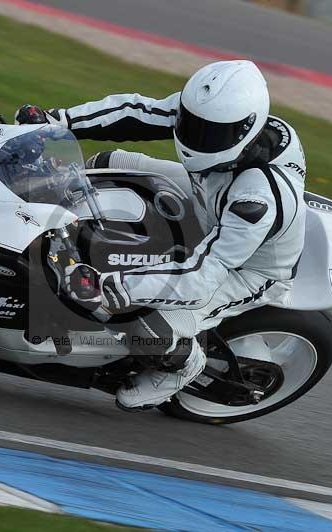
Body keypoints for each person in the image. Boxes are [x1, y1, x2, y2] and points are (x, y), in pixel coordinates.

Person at [16, 60, 307, 412]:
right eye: (192, 125)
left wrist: (114, 288)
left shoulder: (257, 199)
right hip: (210, 194)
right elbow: (134, 111)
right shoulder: (208, 113)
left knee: (140, 322)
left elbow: (206, 276)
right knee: (106, 162)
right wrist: (58, 121)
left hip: (245, 268)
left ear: (245, 131)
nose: (196, 137)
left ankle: (183, 367)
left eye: (210, 134)